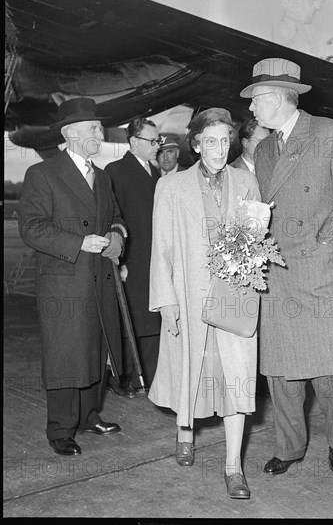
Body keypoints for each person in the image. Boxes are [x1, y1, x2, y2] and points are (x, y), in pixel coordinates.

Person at [240, 58, 333, 475]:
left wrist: (329, 242)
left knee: (329, 370)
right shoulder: (262, 149)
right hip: (277, 271)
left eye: (256, 100)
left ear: (277, 98)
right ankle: (289, 447)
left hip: (319, 269)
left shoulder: (328, 134)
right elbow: (263, 207)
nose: (252, 109)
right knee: (281, 372)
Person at [148, 108, 260, 499]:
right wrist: (165, 301)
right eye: (210, 141)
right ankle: (185, 431)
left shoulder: (246, 182)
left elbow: (257, 241)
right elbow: (160, 249)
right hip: (188, 297)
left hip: (232, 299)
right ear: (195, 144)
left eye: (224, 141)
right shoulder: (172, 187)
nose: (218, 149)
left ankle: (233, 467)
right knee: (189, 370)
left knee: (236, 379)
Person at [18, 97, 126, 456]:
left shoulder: (104, 175)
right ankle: (61, 428)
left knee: (96, 351)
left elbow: (116, 217)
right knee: (67, 355)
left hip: (99, 279)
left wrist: (116, 236)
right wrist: (79, 242)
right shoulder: (43, 174)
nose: (101, 132)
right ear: (70, 134)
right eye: (93, 128)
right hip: (65, 282)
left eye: (99, 127)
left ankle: (89, 415)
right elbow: (32, 228)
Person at [104, 118, 162, 395]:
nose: (157, 146)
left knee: (152, 320)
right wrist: (122, 262)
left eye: (158, 140)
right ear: (133, 143)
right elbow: (114, 218)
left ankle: (148, 379)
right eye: (152, 141)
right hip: (133, 260)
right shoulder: (116, 170)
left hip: (155, 259)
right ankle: (123, 378)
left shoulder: (155, 172)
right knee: (130, 320)